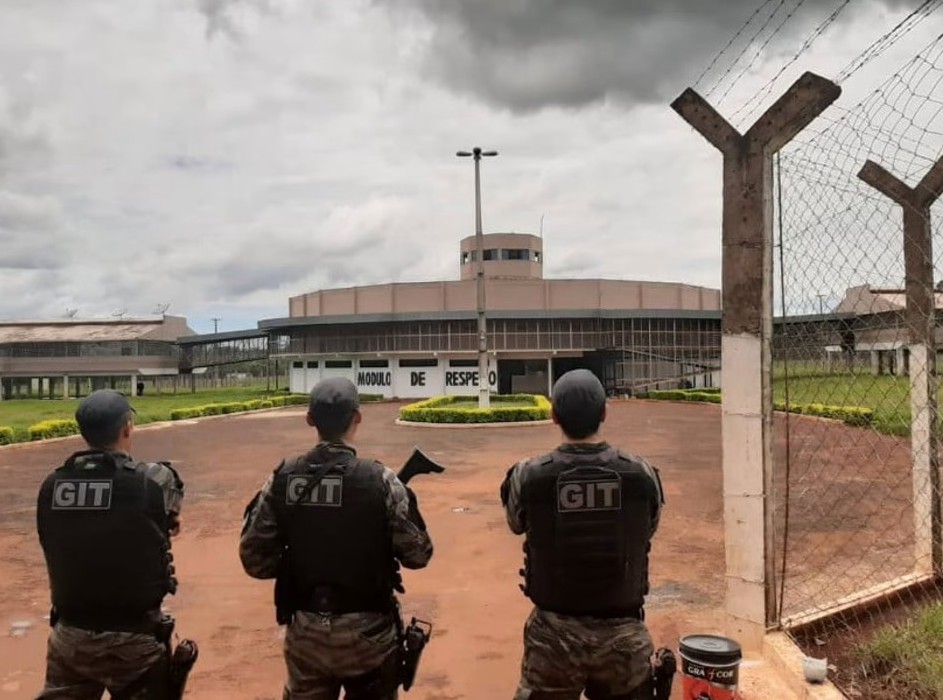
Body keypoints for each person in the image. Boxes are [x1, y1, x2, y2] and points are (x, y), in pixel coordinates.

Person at [240, 377, 433, 700]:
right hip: (369, 635)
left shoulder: (283, 478)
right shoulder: (381, 481)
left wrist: (303, 559)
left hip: (306, 633)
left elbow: (254, 560)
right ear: (357, 418)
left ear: (309, 419)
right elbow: (418, 554)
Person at [500, 369, 666, 700]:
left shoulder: (528, 475)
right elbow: (649, 527)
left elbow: (515, 523)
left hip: (552, 637)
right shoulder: (641, 472)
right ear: (604, 413)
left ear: (553, 415)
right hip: (624, 637)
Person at [36, 389, 185, 699]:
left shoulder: (51, 485)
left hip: (70, 633)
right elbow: (166, 504)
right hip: (134, 638)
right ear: (127, 427)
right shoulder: (153, 480)